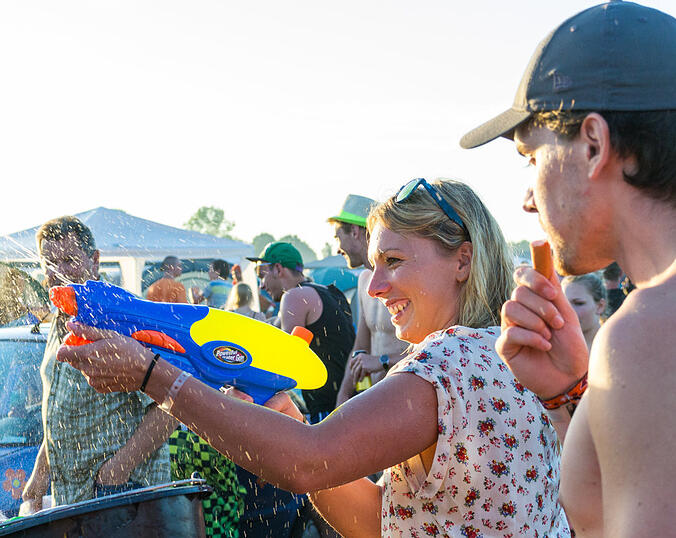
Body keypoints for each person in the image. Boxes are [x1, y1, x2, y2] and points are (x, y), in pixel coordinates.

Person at [55, 178, 570, 536]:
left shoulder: (448, 361)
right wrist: (288, 417)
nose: (378, 283)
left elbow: (306, 463)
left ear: (463, 259)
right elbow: (377, 523)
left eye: (394, 262)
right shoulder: (513, 355)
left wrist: (154, 377)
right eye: (374, 264)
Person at [460, 2, 676, 535]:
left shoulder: (648, 334)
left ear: (595, 145)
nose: (528, 199)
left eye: (532, 158)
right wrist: (571, 390)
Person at [20, 216, 177, 509]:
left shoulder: (120, 315)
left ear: (95, 260)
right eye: (49, 263)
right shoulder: (60, 319)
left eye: (69, 260)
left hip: (126, 499)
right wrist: (37, 481)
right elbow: (61, 415)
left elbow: (171, 405)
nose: (59, 272)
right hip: (77, 501)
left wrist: (116, 472)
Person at [249, 241, 354, 423]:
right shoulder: (331, 292)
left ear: (278, 269)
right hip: (352, 400)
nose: (261, 286)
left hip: (327, 409)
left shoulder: (294, 296)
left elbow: (286, 359)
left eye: (261, 274)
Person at [327, 194, 406, 406]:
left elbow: (430, 349)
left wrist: (381, 362)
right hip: (376, 402)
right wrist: (342, 399)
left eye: (337, 237)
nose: (337, 247)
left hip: (407, 400)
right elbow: (360, 347)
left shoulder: (402, 279)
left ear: (354, 231)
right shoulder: (364, 281)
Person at [561, 273, 606, 351]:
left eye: (578, 303)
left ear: (600, 306)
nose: (569, 311)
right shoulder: (554, 347)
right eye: (564, 304)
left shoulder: (615, 343)